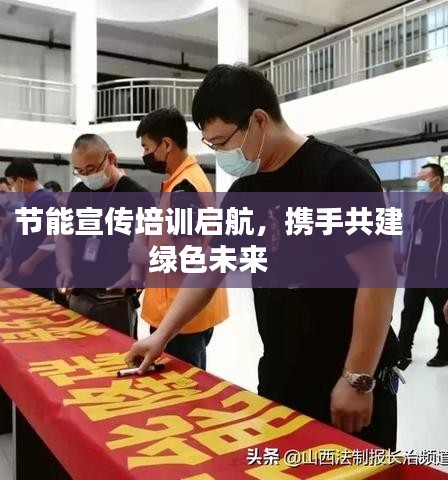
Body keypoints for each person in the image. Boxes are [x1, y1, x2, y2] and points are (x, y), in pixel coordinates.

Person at [125, 64, 400, 450]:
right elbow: (209, 270)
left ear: (258, 120)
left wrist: (357, 378)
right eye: (212, 146)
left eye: (223, 142)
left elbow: (379, 279)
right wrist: (161, 336)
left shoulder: (340, 174)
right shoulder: (245, 192)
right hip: (281, 378)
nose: (222, 154)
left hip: (348, 380)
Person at [113, 108, 228, 369]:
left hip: (179, 318)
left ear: (166, 144)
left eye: (147, 147)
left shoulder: (183, 191)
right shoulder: (185, 180)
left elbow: (190, 257)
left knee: (182, 387)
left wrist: (144, 256)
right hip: (186, 312)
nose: (145, 155)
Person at [56, 134, 150, 336]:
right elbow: (65, 236)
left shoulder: (138, 196)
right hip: (79, 294)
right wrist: (65, 269)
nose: (86, 176)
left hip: (115, 300)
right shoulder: (79, 193)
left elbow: (147, 251)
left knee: (115, 352)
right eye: (79, 171)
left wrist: (126, 281)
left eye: (91, 169)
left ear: (111, 159)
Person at [398, 164, 448, 369]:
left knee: (442, 316)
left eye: (423, 178)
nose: (420, 182)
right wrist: (406, 261)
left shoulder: (446, 205)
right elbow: (413, 236)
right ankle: (403, 352)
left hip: (438, 272)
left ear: (437, 180)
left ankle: (444, 352)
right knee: (409, 313)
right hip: (416, 272)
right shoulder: (419, 206)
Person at [3, 159, 58, 300]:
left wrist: (32, 262)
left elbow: (54, 235)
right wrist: (7, 268)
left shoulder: (45, 199)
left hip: (37, 276)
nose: (12, 189)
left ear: (20, 181)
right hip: (23, 276)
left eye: (12, 184)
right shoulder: (30, 200)